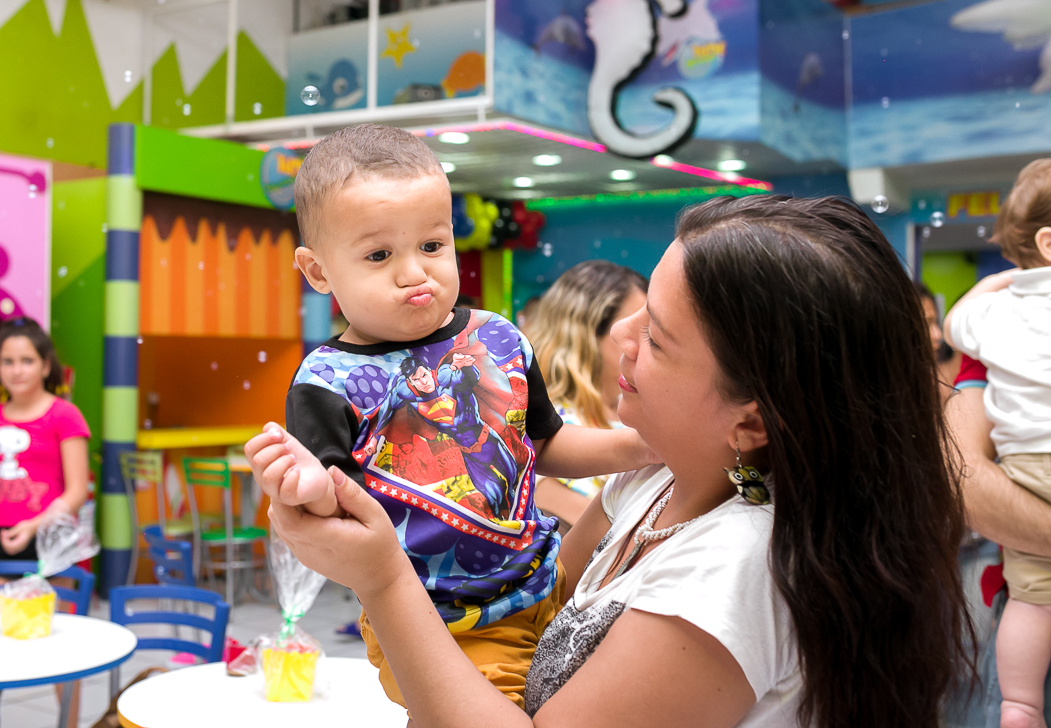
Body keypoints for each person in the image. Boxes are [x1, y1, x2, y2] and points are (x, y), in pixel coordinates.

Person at [257, 195, 972, 728]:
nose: (619, 340)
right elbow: (534, 606)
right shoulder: (653, 477)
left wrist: (384, 578)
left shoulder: (733, 575)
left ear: (750, 419)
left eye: (657, 337)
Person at [244, 123, 654, 711]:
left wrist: (641, 447)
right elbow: (332, 516)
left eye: (432, 246)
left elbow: (547, 443)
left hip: (550, 582)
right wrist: (306, 485)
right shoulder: (326, 381)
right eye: (380, 255)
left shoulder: (499, 337)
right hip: (443, 625)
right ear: (318, 271)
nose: (414, 272)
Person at [945, 158, 1051, 728]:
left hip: (1028, 464)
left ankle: (1020, 705)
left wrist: (985, 289)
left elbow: (958, 322)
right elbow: (968, 480)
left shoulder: (993, 314)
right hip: (1011, 490)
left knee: (1035, 598)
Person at [0, 318, 90, 727]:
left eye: (27, 360)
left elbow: (76, 490)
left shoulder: (65, 415)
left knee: (60, 650)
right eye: (8, 361)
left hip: (52, 545)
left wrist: (33, 525)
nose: (17, 369)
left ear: (46, 365)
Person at [526, 260, 647, 527]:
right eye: (633, 329)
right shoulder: (542, 430)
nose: (643, 346)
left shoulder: (636, 411)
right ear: (586, 335)